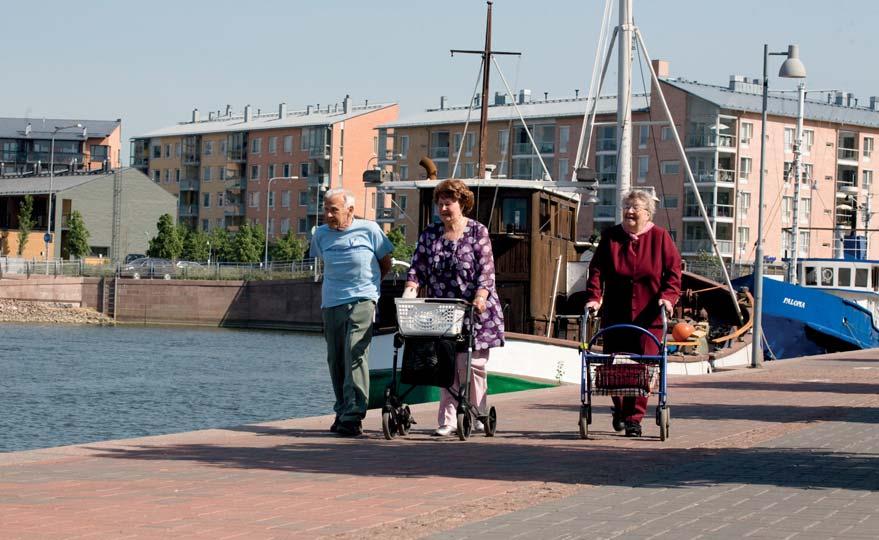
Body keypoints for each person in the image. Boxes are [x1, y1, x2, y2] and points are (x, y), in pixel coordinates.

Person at [403, 179, 505, 436]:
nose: (444, 209)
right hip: (444, 311)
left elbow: (487, 270)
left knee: (473, 366)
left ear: (462, 203)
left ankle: (478, 413)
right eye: (440, 204)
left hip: (475, 309)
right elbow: (418, 269)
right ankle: (447, 420)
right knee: (446, 364)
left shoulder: (477, 232)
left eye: (449, 203)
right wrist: (410, 292)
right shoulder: (431, 234)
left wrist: (481, 297)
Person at [585, 189, 681, 437]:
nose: (629, 211)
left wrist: (668, 299)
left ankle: (634, 419)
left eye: (635, 207)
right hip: (616, 313)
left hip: (649, 316)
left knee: (643, 366)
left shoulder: (660, 238)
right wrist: (594, 298)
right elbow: (596, 271)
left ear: (647, 213)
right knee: (616, 365)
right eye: (626, 207)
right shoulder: (611, 237)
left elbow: (673, 273)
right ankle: (619, 408)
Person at [310, 188, 394, 436]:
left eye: (333, 210)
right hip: (332, 302)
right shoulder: (321, 235)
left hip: (363, 298)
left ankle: (354, 414)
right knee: (335, 358)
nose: (328, 215)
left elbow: (385, 262)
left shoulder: (370, 230)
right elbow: (324, 263)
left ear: (350, 210)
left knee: (354, 352)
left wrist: (371, 289)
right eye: (325, 209)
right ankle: (342, 409)